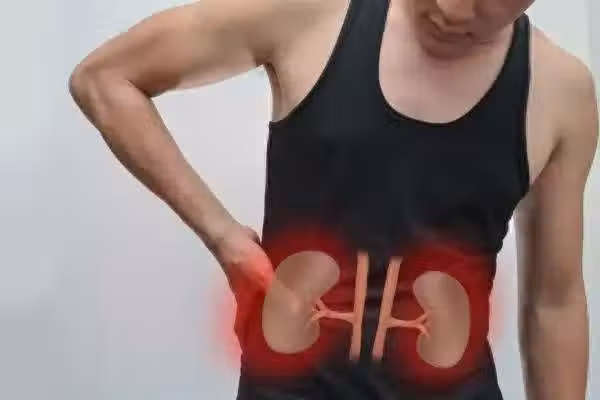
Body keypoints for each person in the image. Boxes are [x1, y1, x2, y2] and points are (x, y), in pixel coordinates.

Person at [68, 0, 597, 398]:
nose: (452, 8)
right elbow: (105, 79)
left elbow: (554, 302)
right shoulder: (313, 12)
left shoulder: (560, 92)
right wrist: (223, 236)